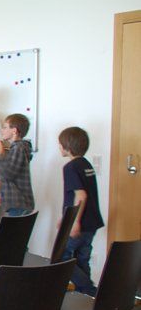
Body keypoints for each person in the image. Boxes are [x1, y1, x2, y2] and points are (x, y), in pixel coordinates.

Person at [58, 127, 104, 296]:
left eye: (60, 144)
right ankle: (84, 295)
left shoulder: (70, 167)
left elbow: (80, 195)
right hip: (92, 221)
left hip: (81, 222)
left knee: (62, 258)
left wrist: (74, 221)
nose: (59, 147)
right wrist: (65, 217)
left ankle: (89, 289)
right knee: (82, 258)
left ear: (67, 147)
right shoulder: (86, 164)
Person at [0, 113, 34, 216]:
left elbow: (8, 173)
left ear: (14, 131)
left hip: (19, 204)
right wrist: (3, 194)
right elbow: (12, 178)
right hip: (16, 203)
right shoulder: (16, 148)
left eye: (5, 127)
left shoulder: (18, 148)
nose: (2, 130)